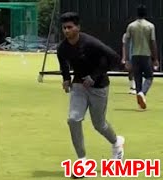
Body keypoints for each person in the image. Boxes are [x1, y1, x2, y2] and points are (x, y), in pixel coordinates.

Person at [56, 12, 125, 178]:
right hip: (79, 86)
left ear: (78, 28)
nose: (66, 31)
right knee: (73, 119)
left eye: (70, 27)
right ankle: (82, 161)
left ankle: (117, 144)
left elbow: (113, 57)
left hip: (99, 86)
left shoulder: (91, 43)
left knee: (99, 124)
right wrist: (66, 79)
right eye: (64, 28)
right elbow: (64, 64)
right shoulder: (62, 48)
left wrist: (94, 77)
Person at [123, 4, 159, 109]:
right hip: (146, 55)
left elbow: (127, 42)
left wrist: (127, 59)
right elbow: (153, 42)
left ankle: (140, 99)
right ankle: (142, 93)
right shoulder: (150, 26)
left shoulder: (131, 26)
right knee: (149, 77)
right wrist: (155, 58)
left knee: (137, 78)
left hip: (134, 55)